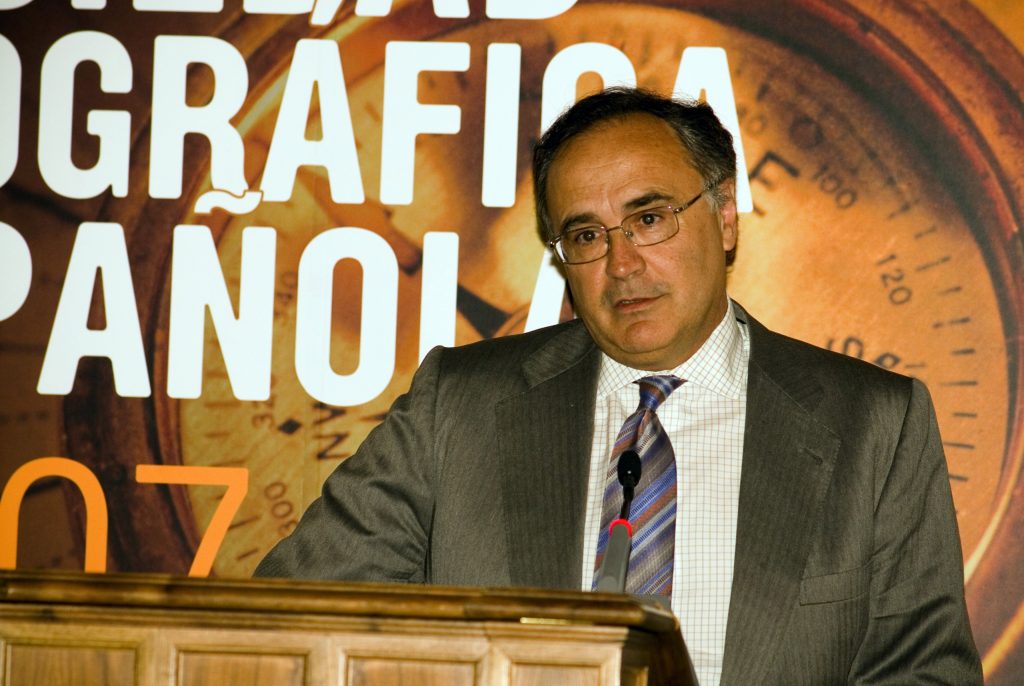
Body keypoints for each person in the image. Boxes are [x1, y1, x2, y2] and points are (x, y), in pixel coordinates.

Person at [255, 87, 982, 684]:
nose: (622, 263)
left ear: (725, 216)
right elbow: (281, 624)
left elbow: (925, 674)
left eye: (649, 218)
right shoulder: (458, 407)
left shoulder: (873, 425)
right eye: (586, 236)